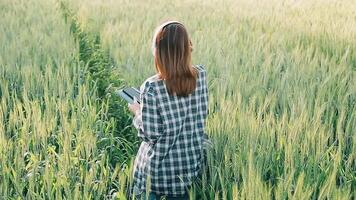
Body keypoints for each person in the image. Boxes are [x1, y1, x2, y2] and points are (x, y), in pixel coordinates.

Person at [128, 21, 211, 200]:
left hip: (158, 177)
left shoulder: (152, 88)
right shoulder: (201, 75)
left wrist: (138, 111)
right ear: (187, 47)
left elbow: (150, 133)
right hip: (188, 170)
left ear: (159, 53)